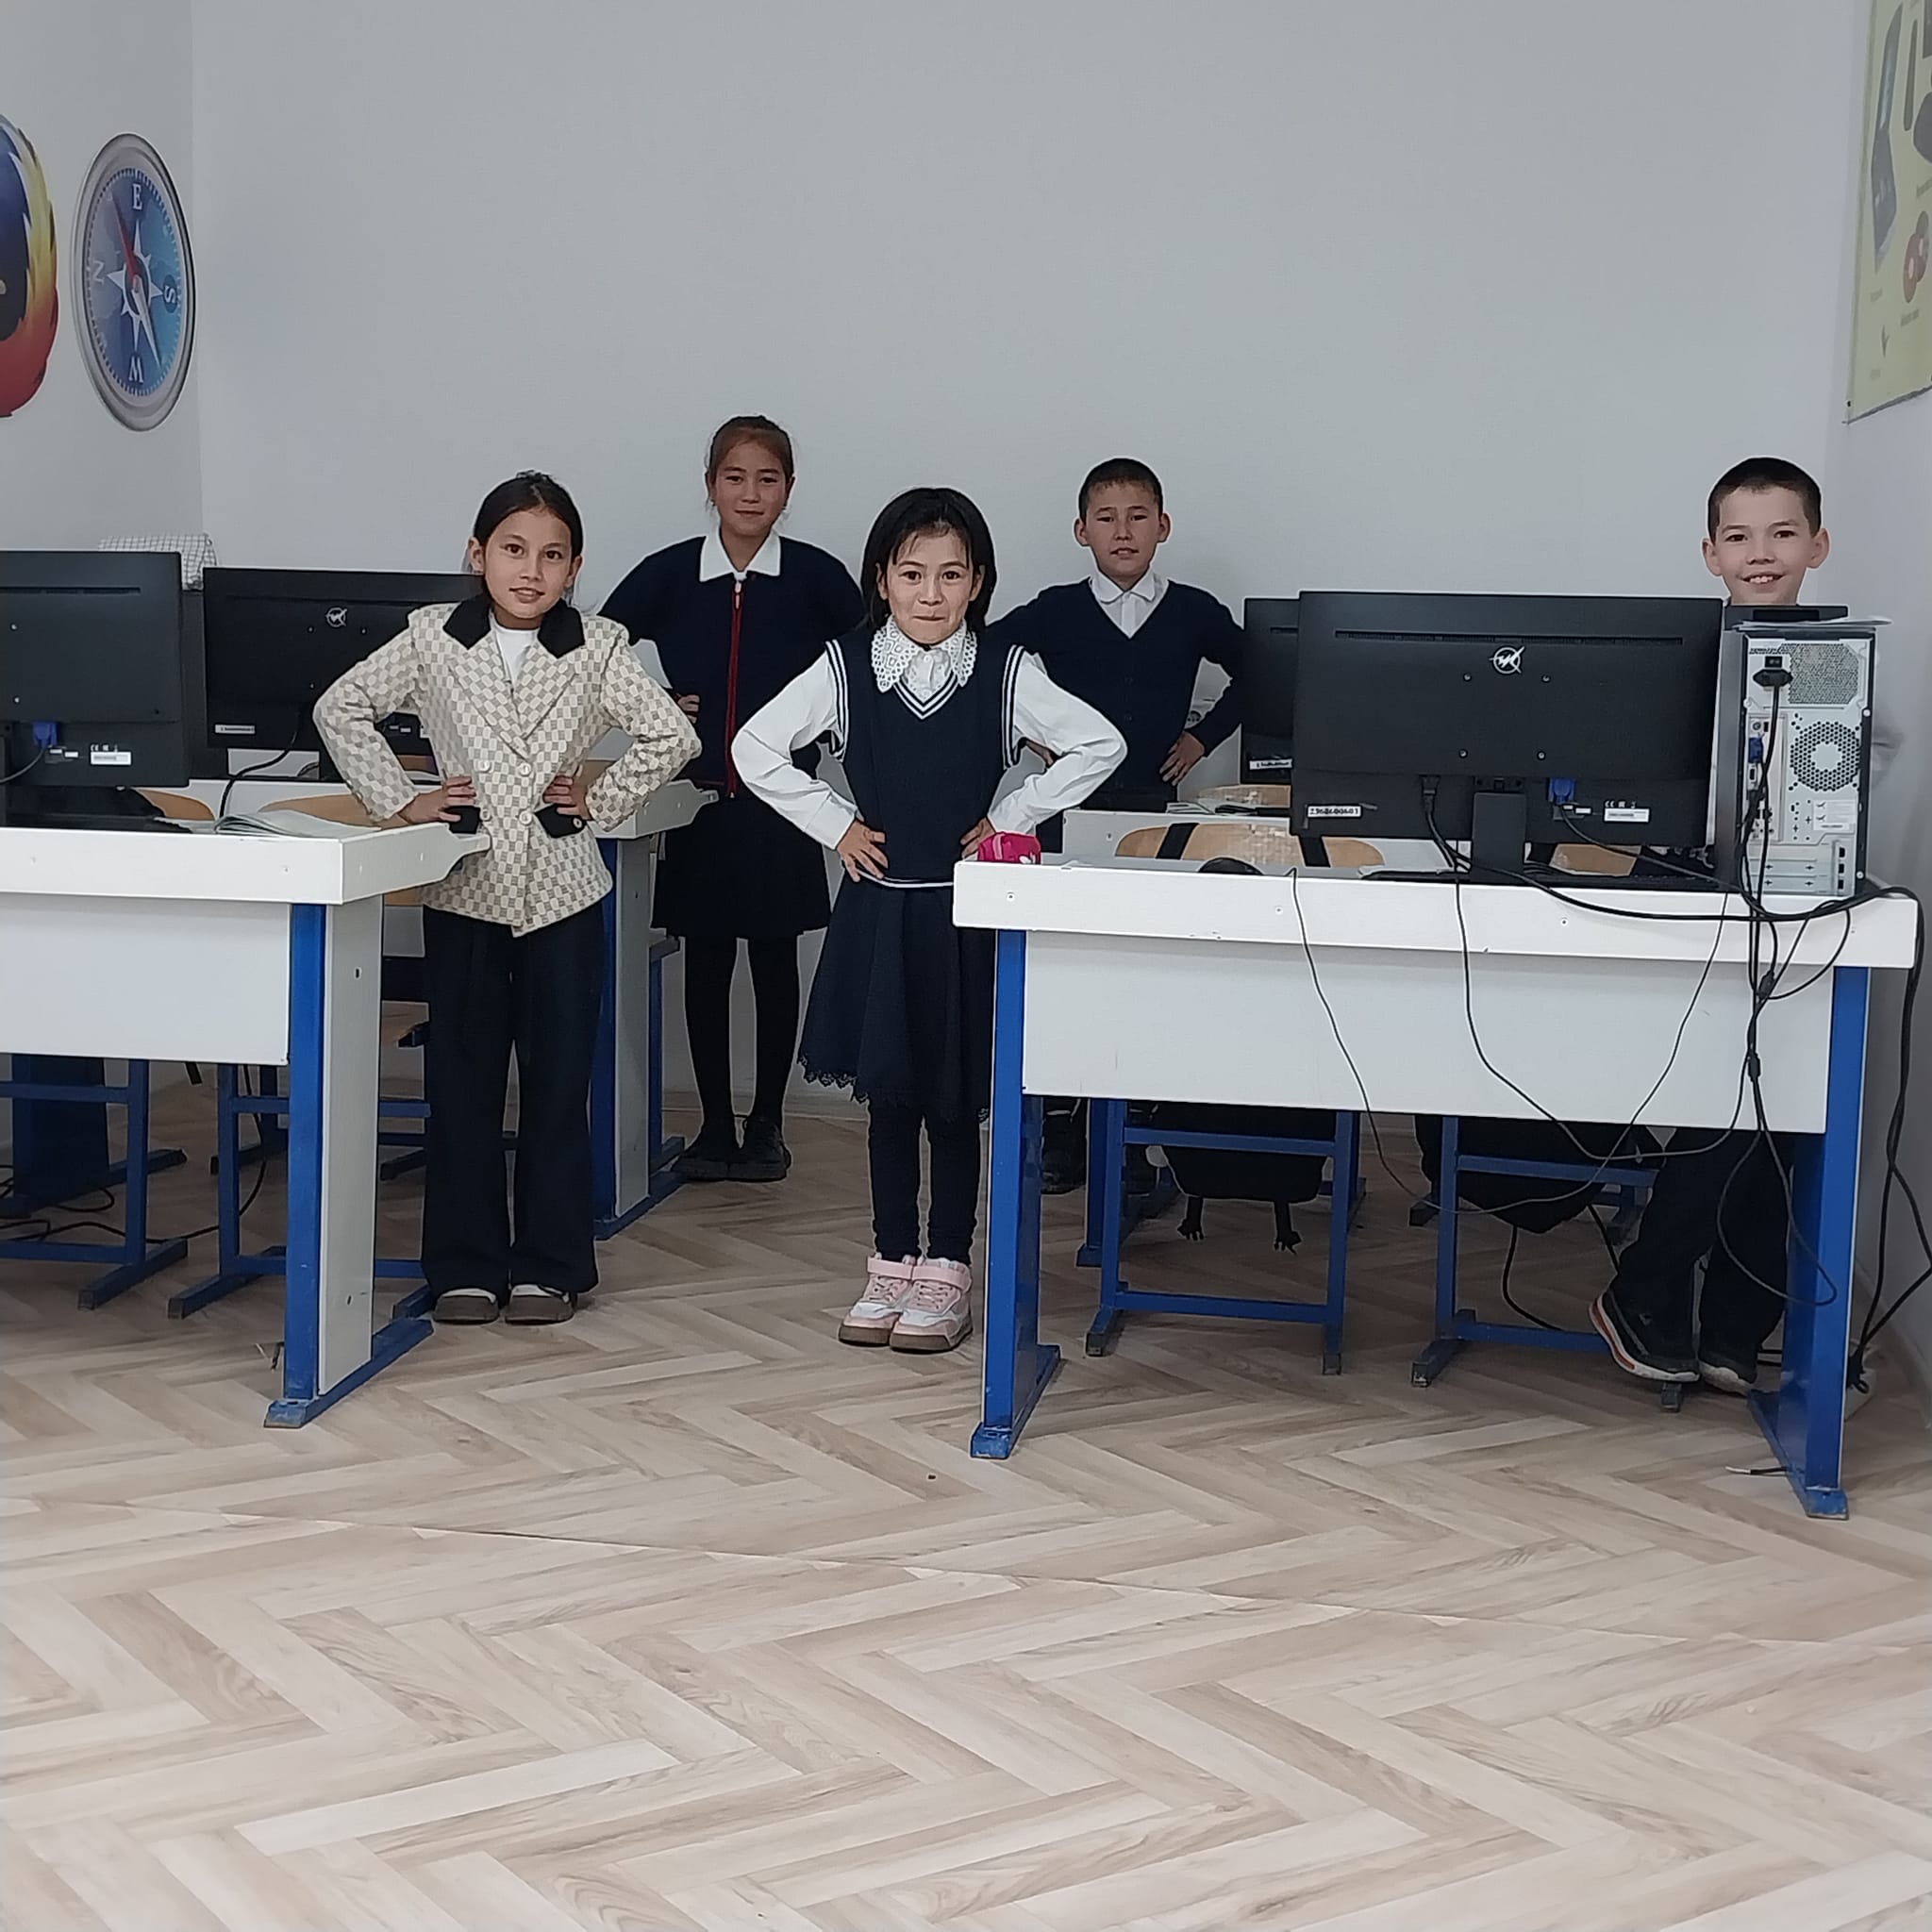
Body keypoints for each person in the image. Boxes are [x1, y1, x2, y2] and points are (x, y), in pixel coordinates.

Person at [733, 487, 1124, 1352]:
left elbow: (1101, 742)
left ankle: (948, 1265)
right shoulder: (846, 667)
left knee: (952, 1101)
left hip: (962, 915)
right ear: (883, 578)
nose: (931, 593)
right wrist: (833, 823)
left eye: (951, 575)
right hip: (880, 914)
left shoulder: (1005, 670)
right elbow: (753, 746)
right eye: (912, 574)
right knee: (889, 1099)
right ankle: (890, 1261)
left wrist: (1015, 814)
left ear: (978, 582)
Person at [315, 473, 698, 1325]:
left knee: (559, 1088)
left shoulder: (600, 645)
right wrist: (401, 800)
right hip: (465, 894)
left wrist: (599, 799)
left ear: (575, 568)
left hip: (565, 896)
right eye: (514, 550)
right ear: (477, 553)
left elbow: (673, 732)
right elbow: (341, 708)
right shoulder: (432, 638)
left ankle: (550, 1267)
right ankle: (465, 1266)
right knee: (463, 1086)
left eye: (552, 556)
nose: (531, 571)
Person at [1590, 457, 1834, 1393]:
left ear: (1816, 544)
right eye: (1738, 536)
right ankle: (1648, 1288)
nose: (1759, 553)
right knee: (1729, 1100)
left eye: (1781, 533)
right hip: (1683, 892)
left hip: (1792, 899)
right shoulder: (1678, 658)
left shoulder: (1839, 661)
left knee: (1784, 1106)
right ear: (1709, 553)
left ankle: (1735, 1323)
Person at [602, 416, 862, 1183]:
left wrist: (828, 723)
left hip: (783, 802)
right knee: (707, 959)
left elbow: (868, 664)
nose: (751, 493)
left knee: (776, 960)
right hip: (699, 801)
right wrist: (650, 704)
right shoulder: (671, 573)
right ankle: (714, 1125)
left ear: (789, 489)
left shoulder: (815, 576)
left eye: (767, 479)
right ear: (710, 484)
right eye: (735, 477)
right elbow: (592, 649)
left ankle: (768, 1123)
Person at [990, 457, 1243, 1191]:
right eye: (1106, 518)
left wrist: (1202, 738)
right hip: (1068, 818)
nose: (1123, 532)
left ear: (1163, 527)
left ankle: (1132, 1138)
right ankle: (1064, 1131)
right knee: (1065, 972)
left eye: (1138, 517)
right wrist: (1032, 733)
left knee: (1143, 975)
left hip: (1155, 820)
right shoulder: (1054, 611)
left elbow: (1264, 671)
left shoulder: (1192, 610)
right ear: (1081, 531)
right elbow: (982, 661)